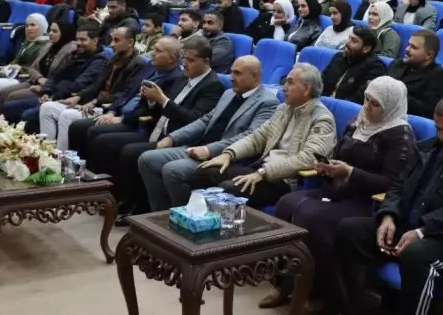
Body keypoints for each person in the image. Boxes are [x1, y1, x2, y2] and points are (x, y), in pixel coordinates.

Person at [333, 95, 443, 315]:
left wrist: (422, 230)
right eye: (438, 129)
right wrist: (389, 216)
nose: (442, 136)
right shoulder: (428, 147)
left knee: (416, 256)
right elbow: (398, 185)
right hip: (407, 225)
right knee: (348, 230)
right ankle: (352, 308)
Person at [262, 78, 418, 310]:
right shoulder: (357, 122)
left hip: (366, 201)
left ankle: (316, 291)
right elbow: (339, 154)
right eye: (366, 99)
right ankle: (283, 285)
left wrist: (351, 173)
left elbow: (392, 183)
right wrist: (326, 166)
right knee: (286, 203)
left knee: (311, 216)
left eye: (375, 104)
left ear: (390, 107)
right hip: (337, 189)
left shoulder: (400, 137)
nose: (367, 107)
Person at [91, 36, 225, 222]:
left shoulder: (213, 86)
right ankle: (115, 197)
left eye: (191, 60)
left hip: (178, 140)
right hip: (156, 130)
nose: (185, 64)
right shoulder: (183, 78)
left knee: (130, 152)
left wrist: (161, 99)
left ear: (206, 61)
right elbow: (160, 110)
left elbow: (193, 119)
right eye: (184, 58)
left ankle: (137, 208)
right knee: (105, 141)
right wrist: (151, 100)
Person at [138, 56, 279, 212]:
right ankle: (159, 213)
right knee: (147, 159)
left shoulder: (268, 102)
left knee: (172, 170)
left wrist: (208, 150)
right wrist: (173, 137)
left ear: (255, 75)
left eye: (237, 73)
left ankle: (186, 217)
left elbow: (249, 136)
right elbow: (205, 120)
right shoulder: (229, 93)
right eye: (231, 72)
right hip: (198, 147)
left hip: (226, 158)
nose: (231, 78)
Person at [195, 64, 337, 208]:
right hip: (262, 170)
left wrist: (263, 173)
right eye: (285, 82)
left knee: (229, 189)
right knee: (205, 171)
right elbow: (257, 137)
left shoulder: (322, 119)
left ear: (306, 89)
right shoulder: (284, 109)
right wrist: (229, 154)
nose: (284, 88)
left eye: (290, 82)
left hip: (285, 180)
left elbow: (308, 158)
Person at [67, 35, 185, 159]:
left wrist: (123, 119)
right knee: (77, 126)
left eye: (158, 51)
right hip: (121, 112)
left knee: (98, 135)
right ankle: (74, 164)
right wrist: (112, 111)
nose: (153, 53)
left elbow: (156, 113)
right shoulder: (150, 66)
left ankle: (90, 169)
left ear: (171, 59)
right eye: (154, 49)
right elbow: (128, 92)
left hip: (139, 124)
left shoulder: (175, 79)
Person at [39, 25, 152, 151]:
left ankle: (60, 157)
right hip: (95, 104)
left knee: (67, 115)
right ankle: (45, 151)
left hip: (109, 109)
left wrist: (95, 101)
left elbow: (125, 95)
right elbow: (96, 85)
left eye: (116, 40)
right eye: (112, 40)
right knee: (47, 107)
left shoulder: (139, 65)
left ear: (130, 42)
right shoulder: (113, 59)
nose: (111, 44)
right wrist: (79, 96)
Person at [4, 20, 108, 129]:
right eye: (77, 39)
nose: (78, 43)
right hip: (55, 96)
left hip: (72, 100)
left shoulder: (99, 61)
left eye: (83, 40)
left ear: (95, 41)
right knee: (8, 107)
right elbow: (56, 76)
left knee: (27, 115)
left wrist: (53, 96)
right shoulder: (75, 55)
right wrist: (46, 92)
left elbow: (78, 84)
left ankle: (28, 138)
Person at [0, 13, 50, 127]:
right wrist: (8, 67)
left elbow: (36, 68)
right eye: (27, 25)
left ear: (42, 26)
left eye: (33, 25)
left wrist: (20, 68)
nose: (29, 28)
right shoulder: (29, 41)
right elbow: (15, 61)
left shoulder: (45, 44)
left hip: (24, 77)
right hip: (12, 74)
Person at [387, 30, 443, 117]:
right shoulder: (397, 64)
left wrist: (395, 94)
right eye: (408, 45)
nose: (407, 49)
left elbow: (429, 110)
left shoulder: (440, 77)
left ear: (429, 55)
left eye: (413, 47)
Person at [322, 26, 387, 102]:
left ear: (366, 48)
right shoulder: (339, 57)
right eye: (349, 38)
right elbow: (321, 81)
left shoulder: (376, 67)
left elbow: (360, 99)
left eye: (354, 41)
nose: (347, 43)